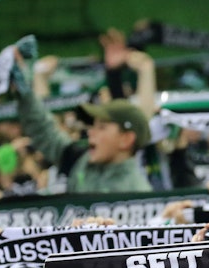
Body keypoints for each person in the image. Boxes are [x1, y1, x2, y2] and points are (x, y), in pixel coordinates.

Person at [15, 50, 153, 193]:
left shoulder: (137, 193)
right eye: (93, 125)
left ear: (126, 139)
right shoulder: (79, 161)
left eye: (102, 127)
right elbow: (42, 129)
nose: (90, 132)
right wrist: (21, 87)